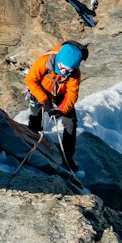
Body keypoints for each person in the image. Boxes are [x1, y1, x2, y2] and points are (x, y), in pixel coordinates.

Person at [25, 41, 86, 173]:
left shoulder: (74, 73)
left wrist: (61, 110)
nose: (64, 73)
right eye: (62, 68)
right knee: (36, 117)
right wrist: (45, 100)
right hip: (40, 90)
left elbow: (71, 95)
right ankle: (32, 145)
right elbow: (31, 80)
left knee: (70, 122)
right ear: (57, 60)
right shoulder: (44, 61)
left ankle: (67, 156)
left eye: (68, 70)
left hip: (60, 94)